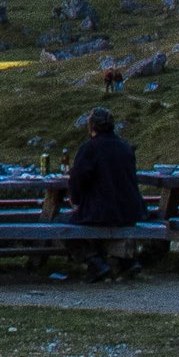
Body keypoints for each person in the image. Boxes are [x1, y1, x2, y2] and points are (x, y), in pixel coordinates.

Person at [68, 105, 147, 281]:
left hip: (103, 210)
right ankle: (125, 261)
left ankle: (95, 262)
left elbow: (77, 178)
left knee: (62, 225)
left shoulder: (90, 148)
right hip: (131, 211)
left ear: (91, 126)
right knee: (97, 222)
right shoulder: (125, 147)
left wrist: (76, 200)